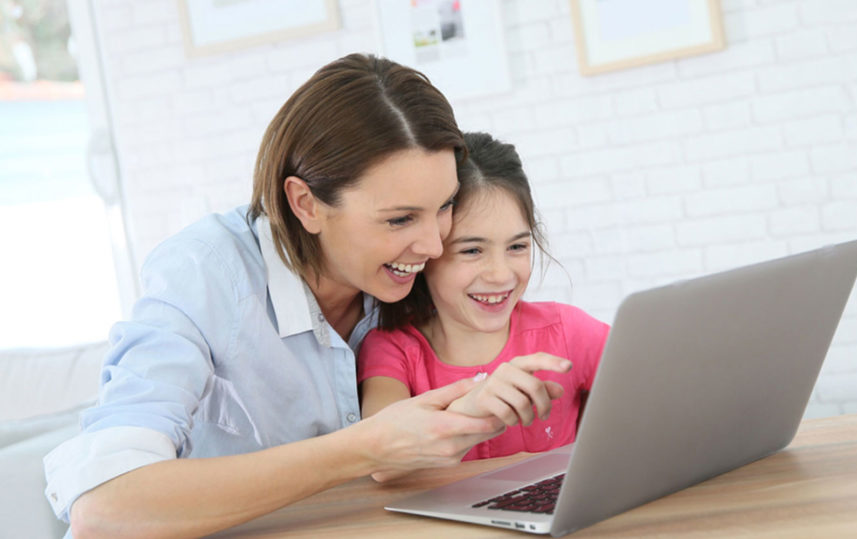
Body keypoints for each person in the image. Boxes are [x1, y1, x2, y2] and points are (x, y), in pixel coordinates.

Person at [42, 54, 570, 539]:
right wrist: (361, 447)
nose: (434, 244)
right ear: (306, 204)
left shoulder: (406, 279)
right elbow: (105, 509)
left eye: (445, 206)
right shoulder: (206, 273)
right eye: (400, 218)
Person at [358, 132, 610, 466]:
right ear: (428, 252)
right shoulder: (392, 350)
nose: (500, 274)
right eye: (473, 250)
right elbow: (383, 464)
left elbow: (664, 388)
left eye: (517, 247)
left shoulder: (567, 331)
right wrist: (471, 408)